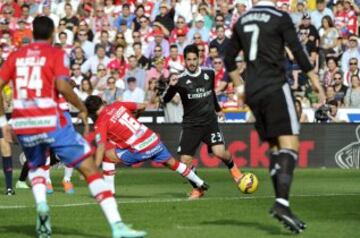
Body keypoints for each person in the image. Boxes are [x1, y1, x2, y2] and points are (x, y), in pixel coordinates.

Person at [0, 16, 145, 238]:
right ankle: (117, 225)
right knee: (89, 168)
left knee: (37, 165)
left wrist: (3, 122)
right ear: (52, 33)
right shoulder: (56, 54)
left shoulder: (16, 55)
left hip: (23, 122)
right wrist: (81, 107)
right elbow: (62, 85)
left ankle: (41, 206)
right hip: (49, 119)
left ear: (32, 32)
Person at [224, 0, 325, 234]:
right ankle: (282, 203)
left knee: (275, 148)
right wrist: (315, 82)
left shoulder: (242, 20)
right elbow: (298, 51)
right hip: (275, 87)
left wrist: (240, 87)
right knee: (290, 144)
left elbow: (228, 57)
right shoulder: (280, 18)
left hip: (253, 92)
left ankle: (282, 205)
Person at [162, 44, 244, 200]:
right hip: (191, 125)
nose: (192, 62)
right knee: (185, 161)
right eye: (188, 60)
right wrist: (171, 87)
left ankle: (235, 171)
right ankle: (198, 189)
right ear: (184, 61)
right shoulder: (180, 80)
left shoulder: (209, 73)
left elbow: (211, 93)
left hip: (209, 122)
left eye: (194, 59)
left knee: (220, 152)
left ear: (199, 59)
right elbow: (165, 100)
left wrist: (218, 109)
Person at [84, 95, 208, 196]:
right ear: (101, 101)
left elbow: (101, 147)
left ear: (91, 113)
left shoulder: (100, 122)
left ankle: (110, 193)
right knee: (172, 163)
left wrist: (93, 168)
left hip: (140, 148)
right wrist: (136, 116)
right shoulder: (118, 105)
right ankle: (199, 182)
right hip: (153, 139)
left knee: (107, 156)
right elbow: (142, 106)